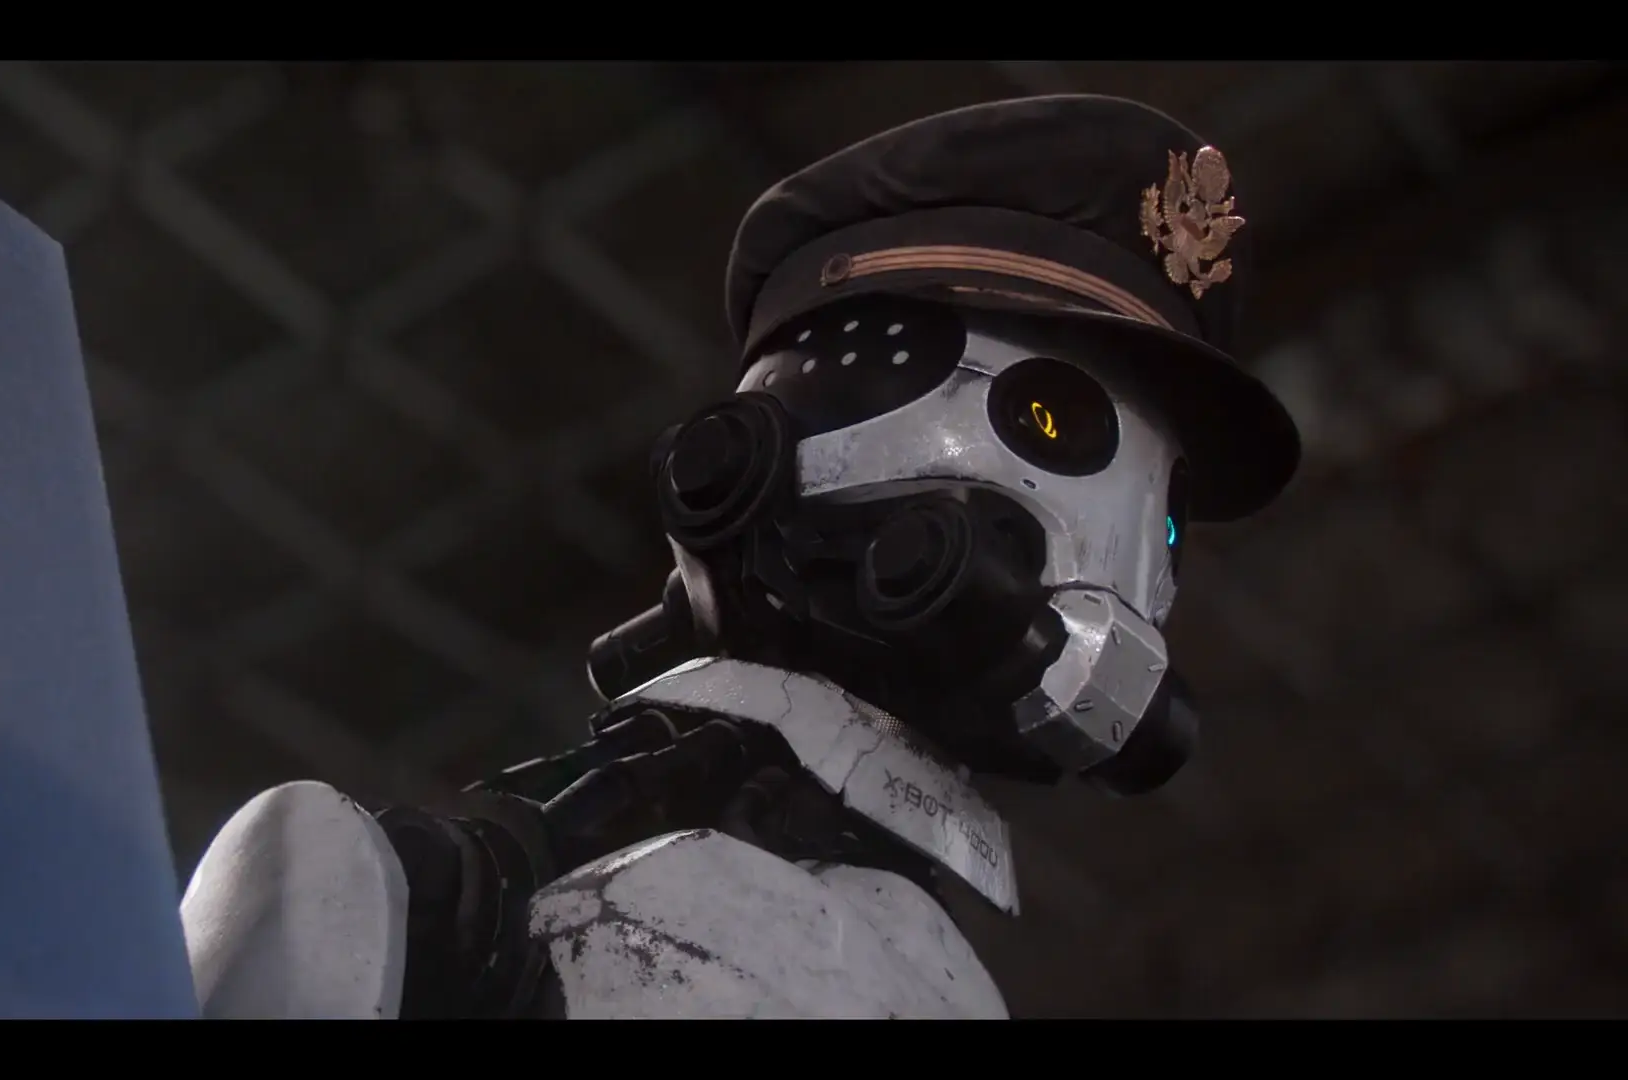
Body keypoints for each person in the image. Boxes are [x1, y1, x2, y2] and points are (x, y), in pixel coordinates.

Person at [178, 93, 1301, 1020]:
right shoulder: (393, 899)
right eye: (1052, 422)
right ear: (755, 451)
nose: (1129, 556)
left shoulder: (899, 948)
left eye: (1166, 518)